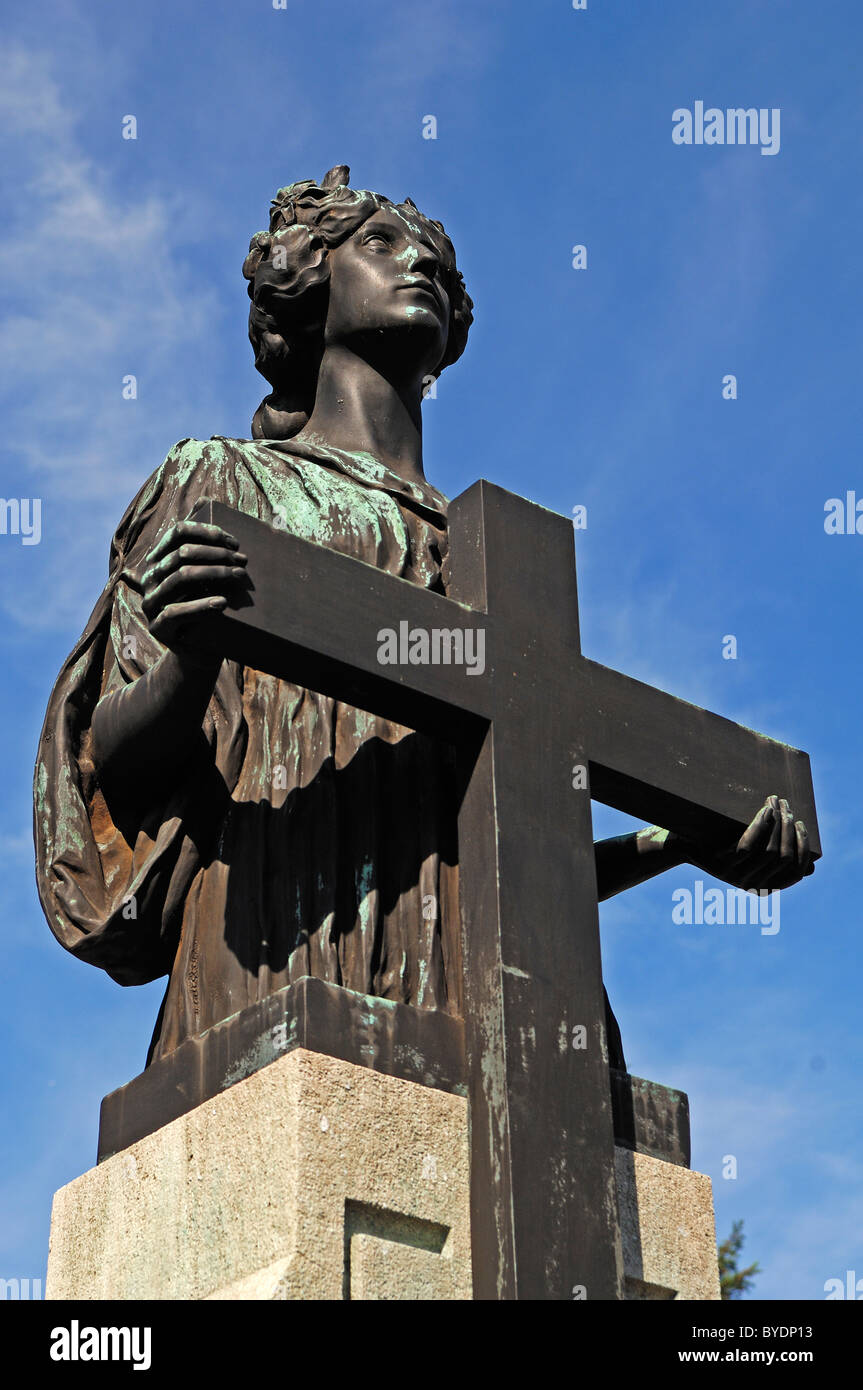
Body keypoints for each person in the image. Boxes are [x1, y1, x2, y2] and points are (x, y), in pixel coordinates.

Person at [34, 167, 814, 1069]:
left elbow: (494, 856)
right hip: (288, 939)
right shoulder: (227, 484)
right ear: (307, 280)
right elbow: (113, 760)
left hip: (497, 1016)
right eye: (381, 243)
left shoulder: (492, 562)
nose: (420, 266)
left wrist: (678, 842)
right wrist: (194, 657)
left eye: (438, 264)